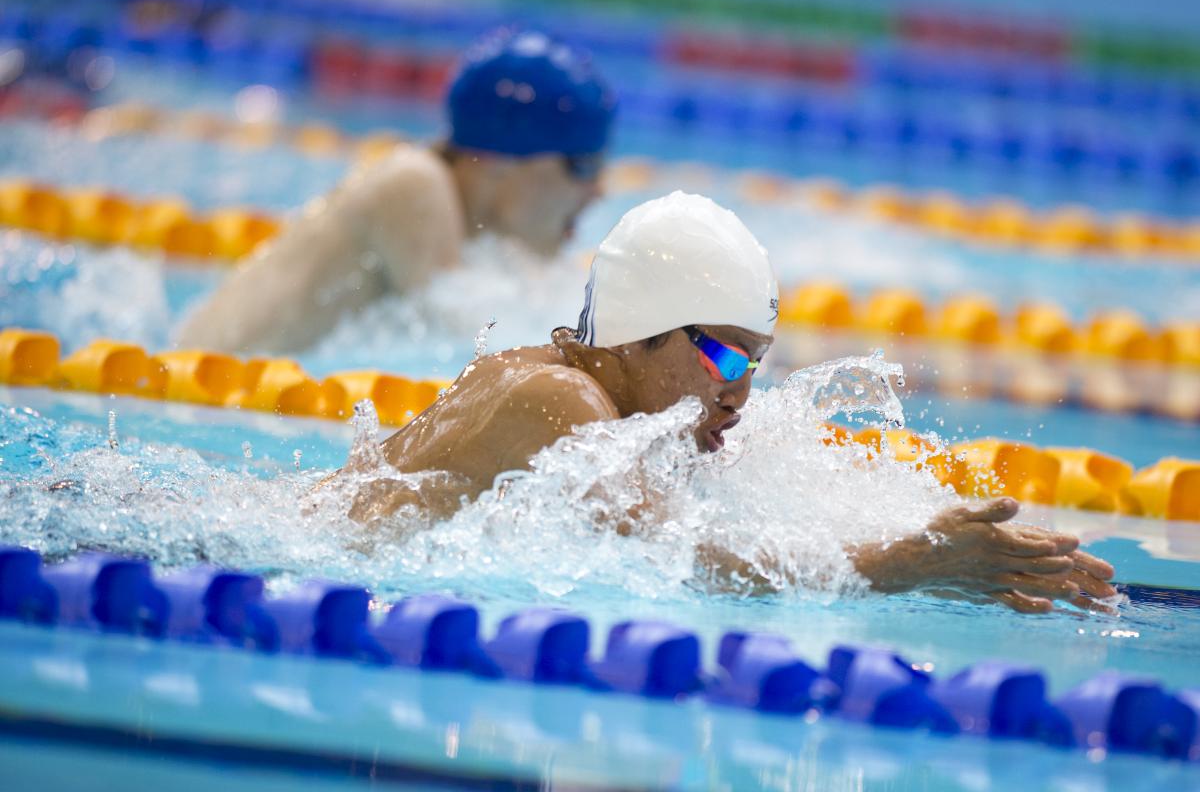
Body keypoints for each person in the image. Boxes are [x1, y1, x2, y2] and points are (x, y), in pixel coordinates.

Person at [334, 191, 1116, 613]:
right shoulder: (559, 399)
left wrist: (929, 533)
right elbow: (676, 564)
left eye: (757, 361)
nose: (739, 389)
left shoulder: (586, 395)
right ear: (644, 330)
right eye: (724, 353)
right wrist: (907, 565)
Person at [176, 29, 616, 353]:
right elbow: (475, 335)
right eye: (582, 166)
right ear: (502, 162)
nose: (597, 191)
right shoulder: (413, 182)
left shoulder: (454, 215)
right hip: (199, 387)